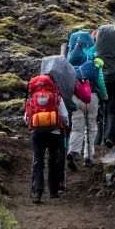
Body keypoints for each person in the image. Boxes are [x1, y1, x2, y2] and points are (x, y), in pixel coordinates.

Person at [24, 72, 68, 202]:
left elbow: (27, 118)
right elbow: (64, 116)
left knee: (38, 160)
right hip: (54, 132)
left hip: (37, 132)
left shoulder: (32, 97)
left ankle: (38, 191)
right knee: (53, 159)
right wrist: (64, 126)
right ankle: (53, 190)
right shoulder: (55, 96)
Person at [69, 52, 106, 169]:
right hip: (92, 97)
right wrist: (104, 95)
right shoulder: (95, 66)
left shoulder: (74, 67)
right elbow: (100, 82)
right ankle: (88, 158)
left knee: (76, 128)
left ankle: (73, 152)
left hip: (76, 98)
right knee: (91, 128)